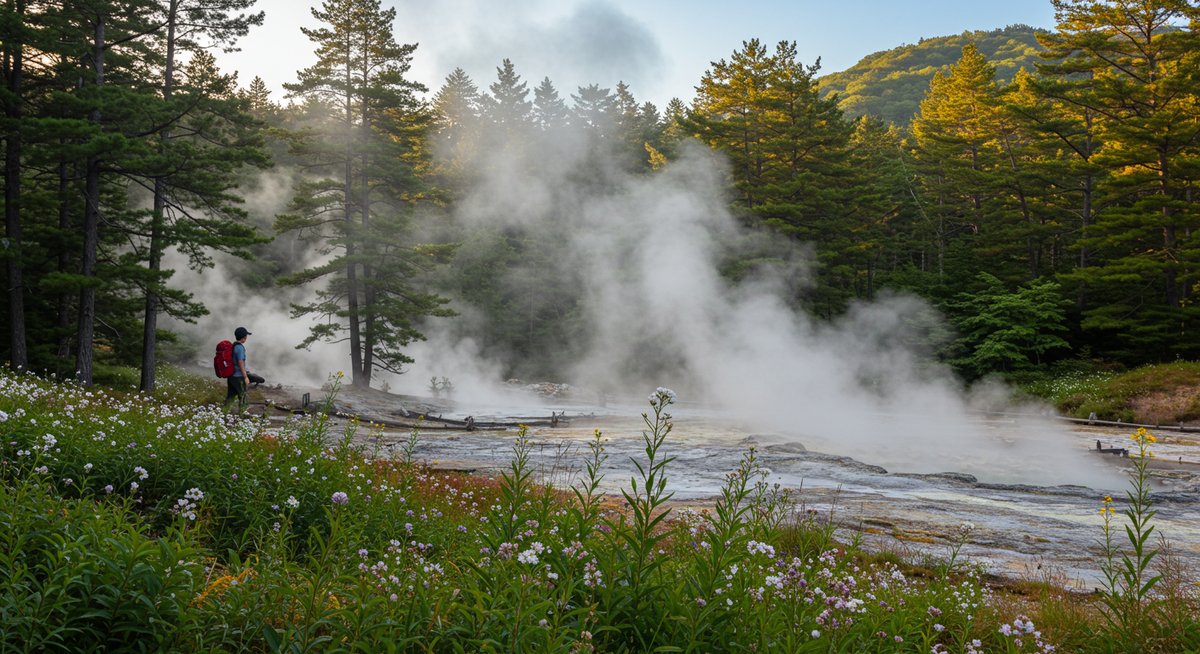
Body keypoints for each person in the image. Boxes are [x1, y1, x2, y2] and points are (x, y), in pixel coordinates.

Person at [223, 326, 253, 414]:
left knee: (231, 396)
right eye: (246, 336)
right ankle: (242, 415)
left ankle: (224, 414)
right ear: (244, 338)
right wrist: (245, 376)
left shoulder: (234, 345)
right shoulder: (240, 347)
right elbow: (240, 362)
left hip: (231, 376)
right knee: (243, 396)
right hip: (238, 376)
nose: (246, 338)